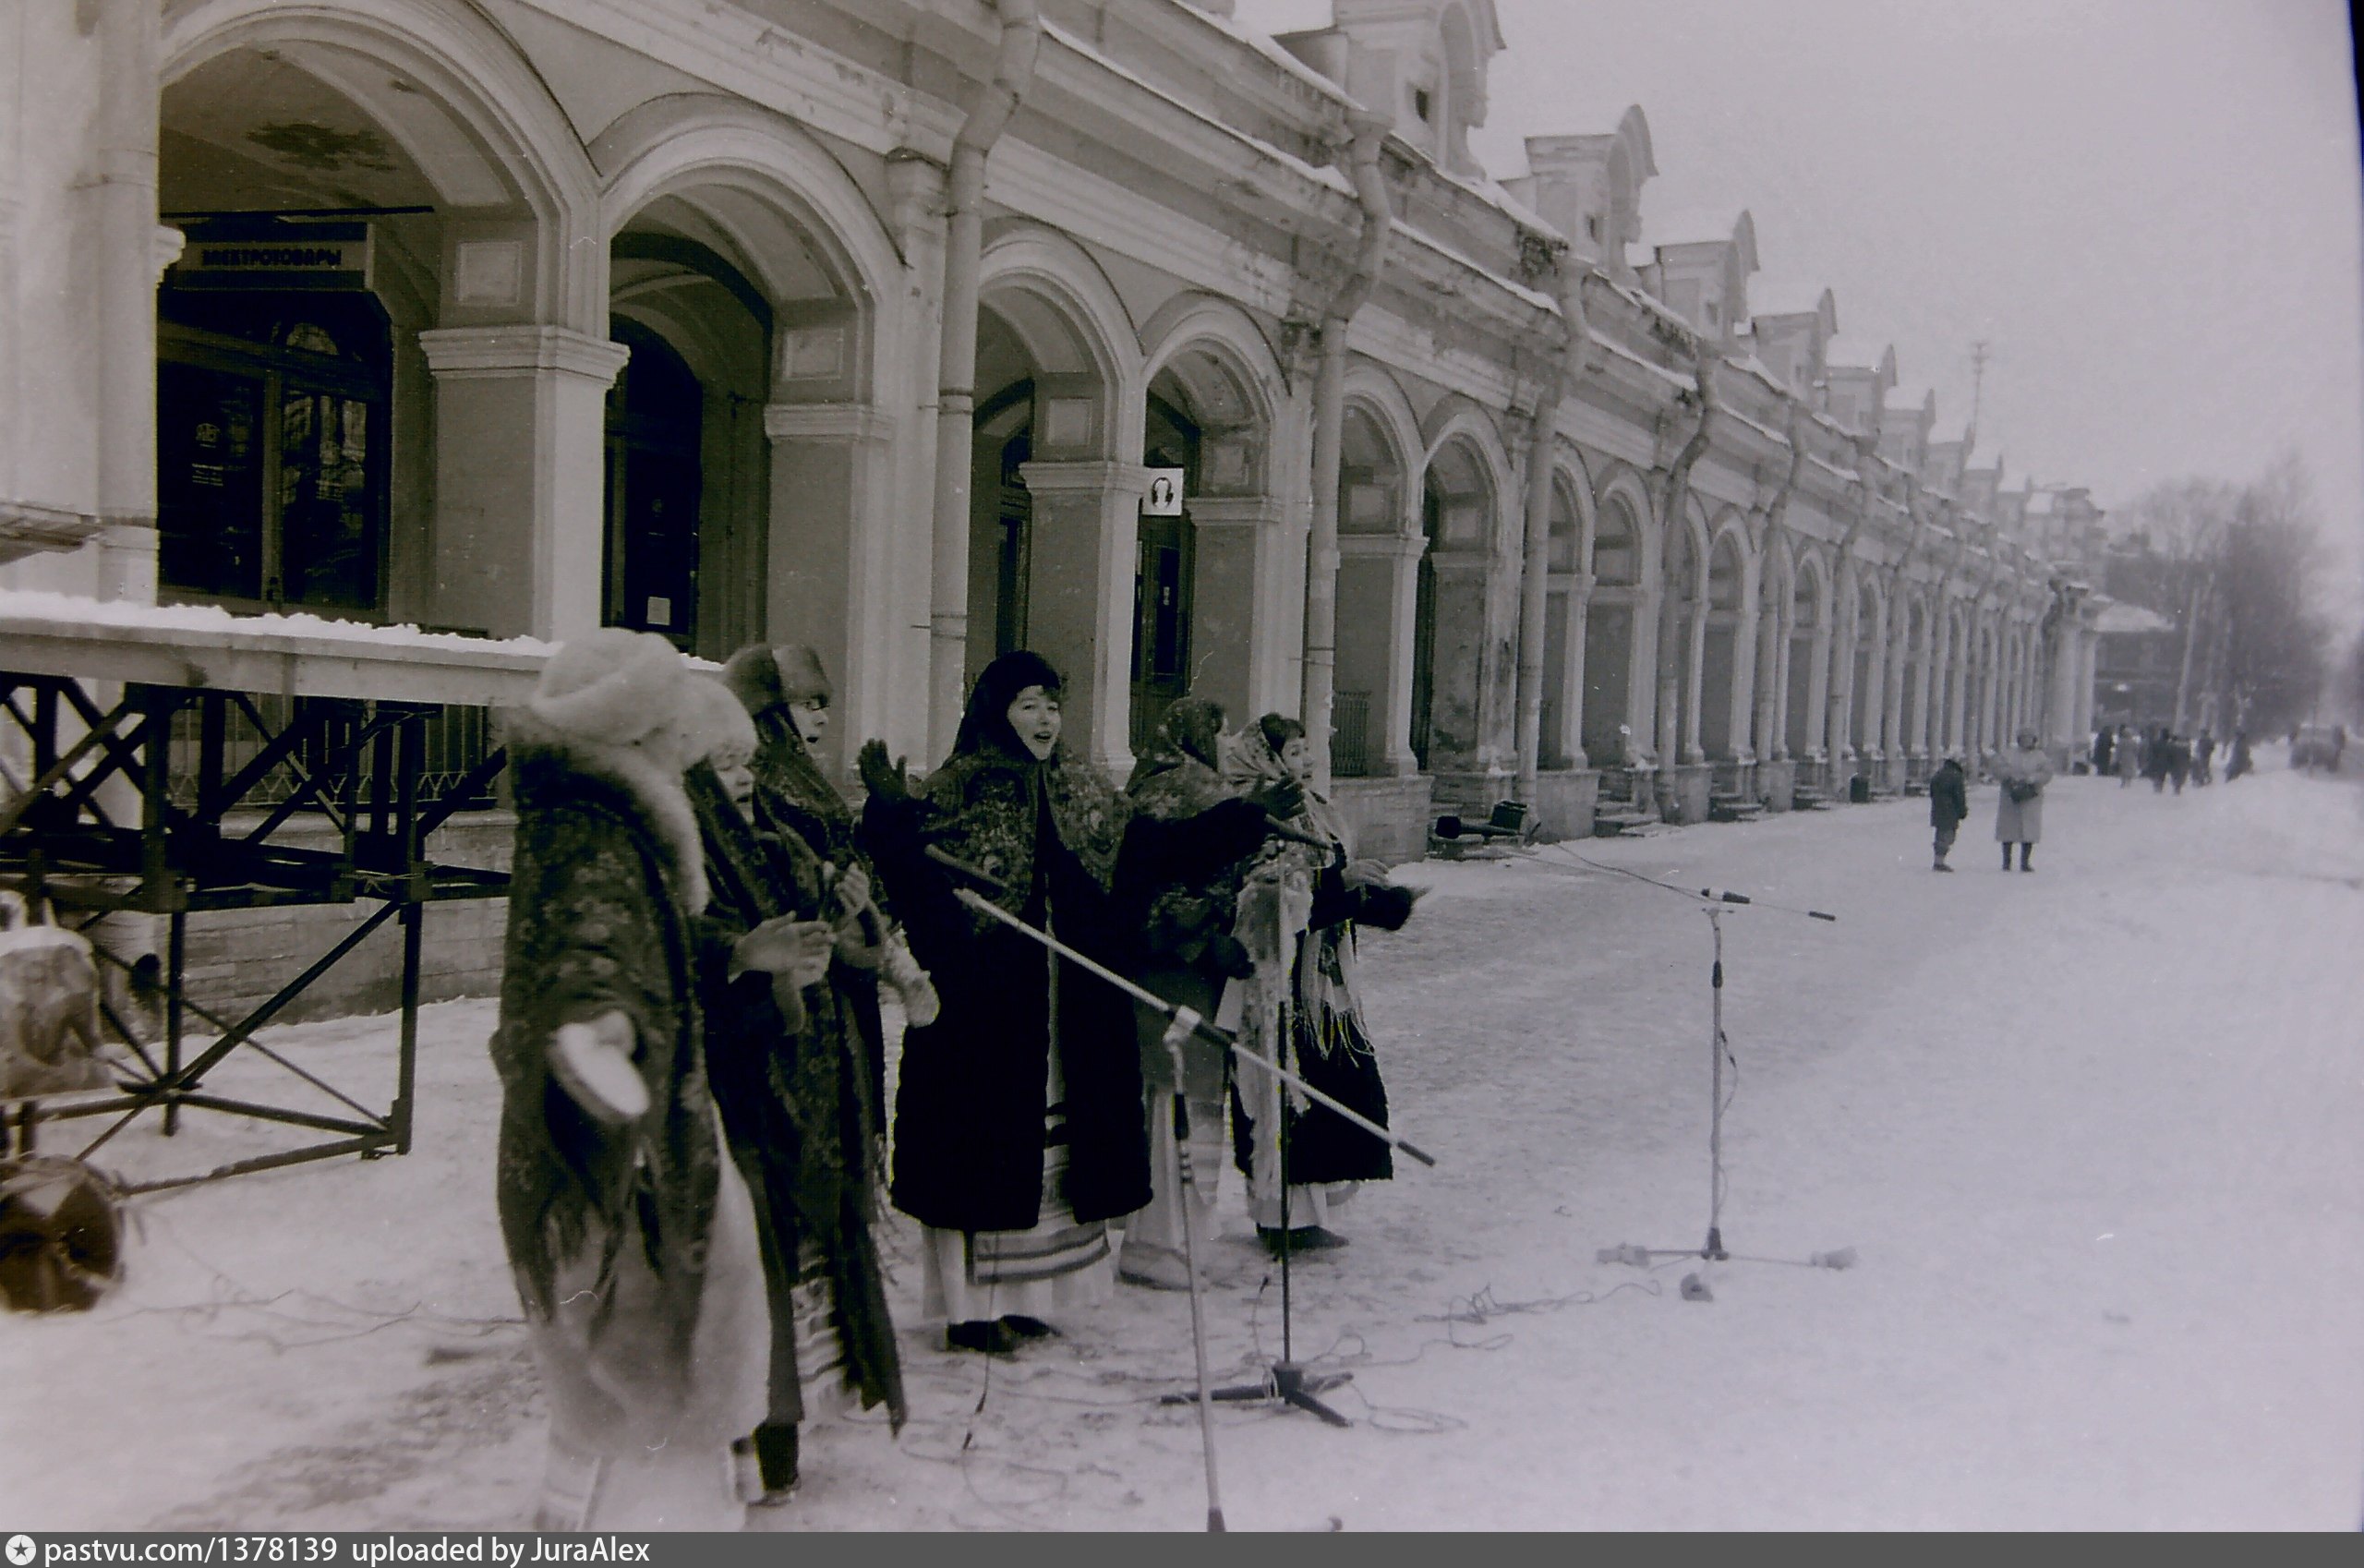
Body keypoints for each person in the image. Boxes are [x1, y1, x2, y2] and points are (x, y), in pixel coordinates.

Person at [860, 653, 1270, 1352]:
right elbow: (908, 888)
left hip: (1059, 1011)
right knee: (983, 1146)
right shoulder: (955, 789)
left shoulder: (1082, 787)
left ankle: (1025, 1295)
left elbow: (1150, 851)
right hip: (981, 1018)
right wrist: (889, 815)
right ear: (996, 711)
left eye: (1052, 704)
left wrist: (1241, 820)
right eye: (1027, 705)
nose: (1045, 719)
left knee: (1049, 1150)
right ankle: (970, 1307)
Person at [488, 629, 771, 1531]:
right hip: (624, 1159)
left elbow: (637, 940)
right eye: (667, 736)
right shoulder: (595, 841)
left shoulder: (597, 826)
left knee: (613, 1390)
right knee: (648, 1387)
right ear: (630, 734)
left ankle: (578, 1514)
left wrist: (729, 950)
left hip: (618, 1145)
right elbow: (592, 947)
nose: (682, 752)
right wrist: (599, 1032)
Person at [681, 680, 905, 1506]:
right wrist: (743, 954)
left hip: (803, 1091)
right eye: (721, 763)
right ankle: (745, 1451)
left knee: (789, 1268)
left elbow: (838, 945)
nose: (742, 778)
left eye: (746, 761)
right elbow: (683, 944)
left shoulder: (775, 844)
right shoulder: (682, 858)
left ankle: (779, 1443)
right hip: (731, 1096)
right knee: (749, 1273)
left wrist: (851, 929)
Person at [1114, 696, 1302, 1289]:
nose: (1225, 744)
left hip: (1206, 966)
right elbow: (1145, 885)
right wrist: (1200, 932)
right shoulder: (1169, 791)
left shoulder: (1202, 786)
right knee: (1169, 1101)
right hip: (1170, 966)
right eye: (1218, 733)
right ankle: (1155, 1243)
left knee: (1194, 1103)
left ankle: (1181, 1239)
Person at [722, 645, 936, 1159]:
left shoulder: (809, 781)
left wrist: (885, 822)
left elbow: (859, 870)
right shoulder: (756, 790)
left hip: (846, 981)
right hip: (798, 987)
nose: (821, 716)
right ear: (769, 714)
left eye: (824, 704)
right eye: (806, 704)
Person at [1225, 715, 1419, 1250]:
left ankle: (1303, 1214)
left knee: (1329, 1087)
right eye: (1293, 753)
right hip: (1274, 981)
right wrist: (1339, 883)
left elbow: (1326, 891)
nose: (1305, 762)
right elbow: (1267, 897)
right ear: (1265, 759)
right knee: (1281, 1092)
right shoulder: (1256, 813)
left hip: (1319, 980)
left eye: (1307, 751)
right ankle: (1279, 1219)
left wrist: (1383, 902)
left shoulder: (1314, 809)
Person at [1992, 727, 2054, 873]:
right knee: (2008, 829)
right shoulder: (2009, 754)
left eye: (2029, 738)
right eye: (2024, 737)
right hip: (2010, 796)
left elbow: (2047, 773)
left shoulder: (2040, 757)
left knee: (2029, 830)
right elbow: (1998, 768)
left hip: (2031, 797)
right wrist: (2009, 777)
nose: (2026, 740)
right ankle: (2006, 861)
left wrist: (2033, 779)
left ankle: (2025, 861)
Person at [1928, 752, 1969, 872]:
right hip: (1951, 811)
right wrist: (1962, 811)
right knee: (1947, 836)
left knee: (1940, 835)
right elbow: (1959, 796)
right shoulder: (1956, 776)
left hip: (1938, 809)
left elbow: (1932, 791)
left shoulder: (1939, 774)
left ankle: (1938, 860)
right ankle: (1939, 862)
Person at [2115, 724, 2141, 788]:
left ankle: (2123, 782)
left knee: (2123, 769)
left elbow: (2119, 750)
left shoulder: (2121, 741)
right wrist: (2136, 756)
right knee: (2130, 768)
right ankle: (2129, 781)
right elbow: (2137, 750)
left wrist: (2117, 757)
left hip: (2123, 756)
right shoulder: (2133, 742)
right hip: (2131, 756)